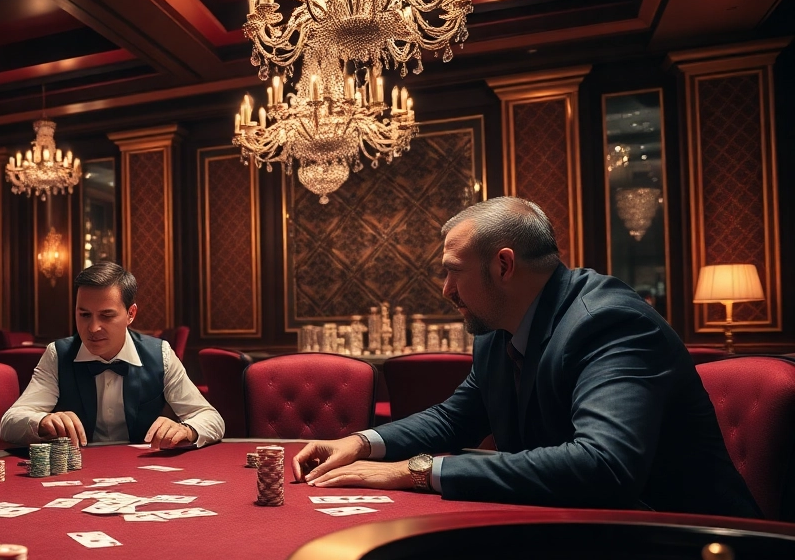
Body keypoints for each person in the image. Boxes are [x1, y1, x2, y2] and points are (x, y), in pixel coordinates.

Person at [293, 196, 760, 518]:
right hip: (586, 526)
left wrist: (413, 472)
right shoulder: (499, 331)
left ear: (503, 265)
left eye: (454, 272)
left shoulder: (609, 321)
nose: (446, 290)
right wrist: (358, 442)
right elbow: (453, 420)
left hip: (690, 547)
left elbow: (603, 465)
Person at [0, 262, 223, 449]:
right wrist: (42, 421)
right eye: (84, 315)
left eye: (106, 316)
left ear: (131, 314)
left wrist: (187, 430)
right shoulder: (58, 354)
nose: (93, 327)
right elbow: (9, 424)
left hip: (144, 473)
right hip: (77, 474)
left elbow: (211, 418)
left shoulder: (160, 354)